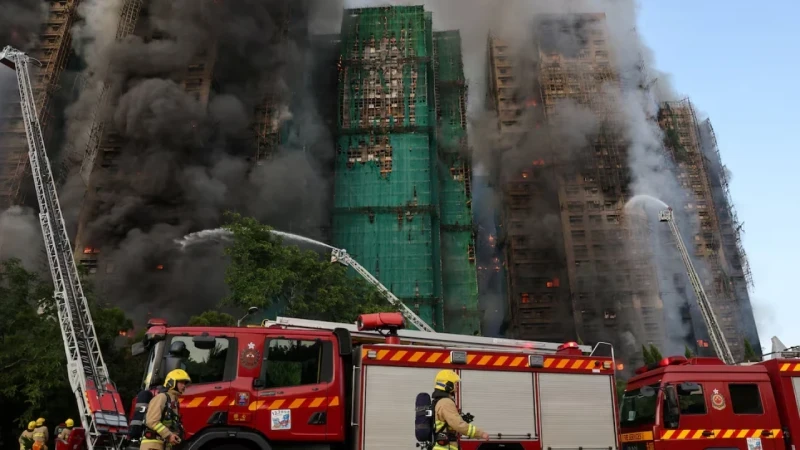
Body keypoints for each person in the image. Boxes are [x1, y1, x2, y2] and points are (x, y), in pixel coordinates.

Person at [432, 370, 489, 450]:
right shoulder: (446, 402)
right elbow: (458, 424)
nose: (456, 386)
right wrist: (480, 433)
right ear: (448, 385)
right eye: (455, 384)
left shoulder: (440, 401)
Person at [140, 369, 191, 450]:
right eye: (181, 382)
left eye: (185, 383)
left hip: (163, 445)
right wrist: (169, 435)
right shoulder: (162, 397)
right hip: (152, 445)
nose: (184, 385)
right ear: (171, 382)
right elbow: (152, 421)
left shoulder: (174, 401)